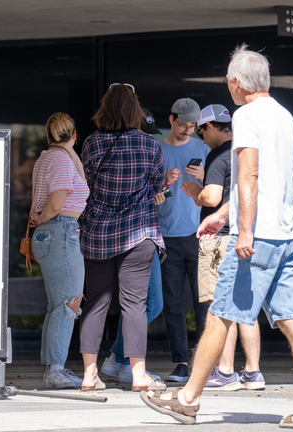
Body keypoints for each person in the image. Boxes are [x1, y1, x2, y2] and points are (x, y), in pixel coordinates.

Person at [141, 44, 293, 430]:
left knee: (219, 316)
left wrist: (241, 230)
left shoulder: (246, 116)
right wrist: (223, 214)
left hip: (256, 238)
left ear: (237, 82)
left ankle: (188, 399)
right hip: (286, 236)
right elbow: (272, 181)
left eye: (229, 81)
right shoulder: (286, 116)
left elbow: (249, 175)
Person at [78, 84, 178, 392]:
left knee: (95, 303)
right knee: (135, 304)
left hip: (98, 234)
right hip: (138, 233)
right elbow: (157, 183)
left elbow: (87, 185)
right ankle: (138, 375)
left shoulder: (93, 143)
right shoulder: (149, 145)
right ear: (135, 112)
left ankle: (90, 375)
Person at [181, 104, 265, 391]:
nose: (201, 137)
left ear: (212, 127)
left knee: (218, 306)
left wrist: (196, 191)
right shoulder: (245, 153)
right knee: (245, 305)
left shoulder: (218, 155)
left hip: (219, 239)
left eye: (202, 130)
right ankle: (253, 372)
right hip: (245, 236)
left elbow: (213, 197)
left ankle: (225, 371)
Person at [101, 108, 164, 384]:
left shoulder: (139, 149)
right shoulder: (129, 149)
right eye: (141, 131)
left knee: (145, 304)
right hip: (138, 235)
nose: (145, 138)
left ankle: (117, 359)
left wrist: (158, 191)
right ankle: (125, 362)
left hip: (139, 234)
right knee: (144, 304)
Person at [29, 113, 88, 389]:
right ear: (74, 135)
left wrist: (68, 148)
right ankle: (56, 369)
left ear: (48, 135)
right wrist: (41, 218)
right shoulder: (61, 161)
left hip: (53, 234)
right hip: (60, 230)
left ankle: (53, 366)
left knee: (58, 304)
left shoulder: (49, 158)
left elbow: (79, 178)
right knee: (70, 302)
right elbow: (56, 203)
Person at [154, 98, 210, 383]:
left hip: (199, 235)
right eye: (184, 124)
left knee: (204, 303)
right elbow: (144, 192)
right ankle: (180, 362)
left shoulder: (204, 149)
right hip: (165, 236)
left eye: (193, 125)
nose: (189, 130)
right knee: (173, 304)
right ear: (171, 119)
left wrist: (203, 179)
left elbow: (219, 192)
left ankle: (205, 362)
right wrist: (162, 182)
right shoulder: (157, 149)